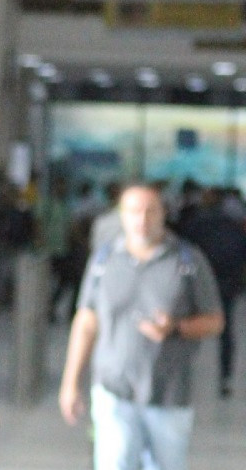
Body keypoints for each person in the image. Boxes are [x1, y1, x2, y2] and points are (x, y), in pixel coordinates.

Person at [58, 185, 224, 470]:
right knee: (116, 461)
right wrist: (70, 382)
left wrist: (176, 328)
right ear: (121, 216)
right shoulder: (104, 260)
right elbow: (86, 321)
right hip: (114, 388)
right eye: (134, 211)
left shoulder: (188, 261)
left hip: (169, 393)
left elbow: (215, 321)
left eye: (151, 211)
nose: (142, 219)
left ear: (164, 214)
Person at [174, 189, 246, 397]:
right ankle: (226, 377)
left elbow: (182, 249)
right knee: (226, 329)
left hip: (196, 283)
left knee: (185, 329)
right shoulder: (233, 224)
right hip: (226, 282)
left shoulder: (197, 223)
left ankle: (181, 374)